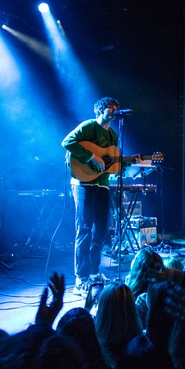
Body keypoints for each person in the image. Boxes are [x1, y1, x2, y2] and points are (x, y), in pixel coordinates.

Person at [62, 96, 121, 295]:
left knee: (101, 230)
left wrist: (122, 164)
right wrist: (91, 156)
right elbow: (67, 142)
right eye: (110, 108)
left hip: (102, 185)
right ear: (101, 110)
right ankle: (81, 279)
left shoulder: (113, 135)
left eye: (115, 108)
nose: (114, 111)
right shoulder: (89, 126)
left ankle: (94, 272)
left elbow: (111, 165)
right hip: (83, 183)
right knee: (85, 229)